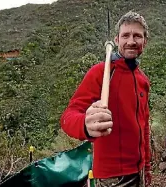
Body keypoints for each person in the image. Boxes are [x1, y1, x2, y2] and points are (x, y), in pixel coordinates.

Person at [60, 11, 152, 187]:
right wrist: (85, 125)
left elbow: (144, 125)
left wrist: (146, 166)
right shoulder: (101, 73)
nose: (131, 41)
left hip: (138, 171)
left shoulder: (143, 80)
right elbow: (68, 116)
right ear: (117, 40)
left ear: (144, 42)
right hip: (111, 178)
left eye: (137, 36)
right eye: (125, 35)